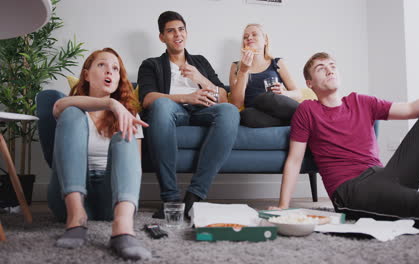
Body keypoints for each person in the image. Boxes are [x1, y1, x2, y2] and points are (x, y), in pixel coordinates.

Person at [271, 52, 419, 234]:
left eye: (332, 65)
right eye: (321, 68)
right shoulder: (307, 110)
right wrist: (283, 205)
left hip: (383, 174)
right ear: (310, 83)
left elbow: (410, 108)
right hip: (350, 189)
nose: (329, 69)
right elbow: (295, 160)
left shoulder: (360, 101)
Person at [38, 48, 151, 260]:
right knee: (72, 111)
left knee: (125, 130)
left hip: (112, 198)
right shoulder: (70, 110)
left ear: (118, 79)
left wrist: (120, 111)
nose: (110, 71)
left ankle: (123, 228)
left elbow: (135, 166)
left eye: (115, 68)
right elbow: (59, 105)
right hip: (67, 197)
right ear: (87, 74)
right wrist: (110, 103)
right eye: (102, 65)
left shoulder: (128, 115)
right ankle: (76, 218)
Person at [137, 11, 239, 219]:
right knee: (161, 106)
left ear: (186, 32)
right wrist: (187, 98)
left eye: (181, 29)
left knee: (229, 111)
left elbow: (224, 98)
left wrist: (201, 78)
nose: (177, 35)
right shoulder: (151, 64)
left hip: (203, 110)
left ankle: (194, 196)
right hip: (174, 111)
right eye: (170, 31)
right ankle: (171, 199)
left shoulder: (199, 61)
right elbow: (147, 98)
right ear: (162, 37)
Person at [229, 23, 301, 128]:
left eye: (254, 34)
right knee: (246, 115)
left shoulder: (277, 63)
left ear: (265, 40)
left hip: (275, 103)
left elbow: (298, 93)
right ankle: (293, 121)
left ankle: (306, 115)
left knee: (266, 98)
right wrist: (243, 71)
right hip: (257, 112)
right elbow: (237, 103)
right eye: (245, 37)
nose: (249, 38)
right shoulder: (236, 67)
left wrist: (284, 93)